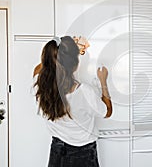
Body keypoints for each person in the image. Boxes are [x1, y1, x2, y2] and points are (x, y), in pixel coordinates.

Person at [33, 36, 112, 167]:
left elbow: (40, 67)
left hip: (57, 152)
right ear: (75, 65)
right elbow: (107, 112)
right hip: (84, 155)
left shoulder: (40, 84)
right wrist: (103, 81)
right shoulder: (84, 92)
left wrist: (64, 51)